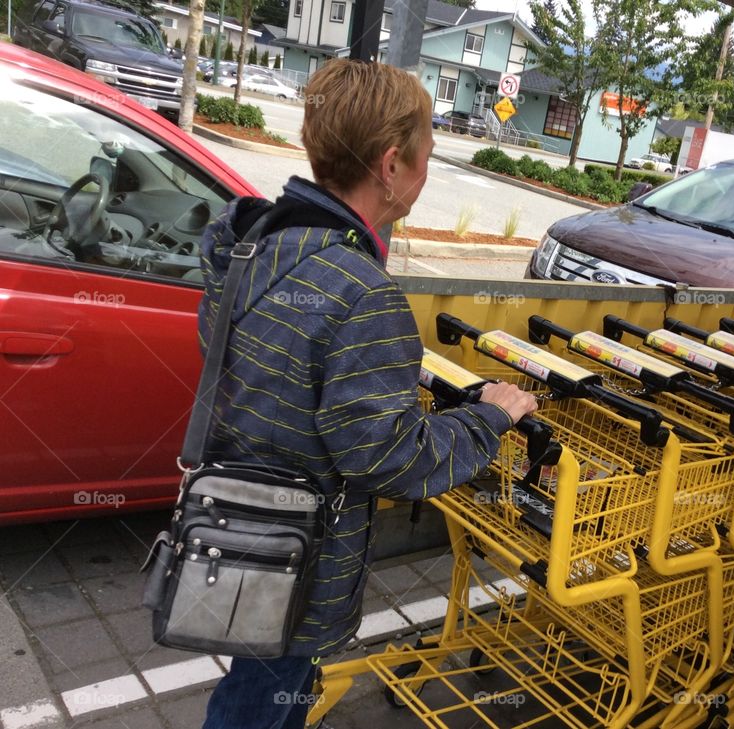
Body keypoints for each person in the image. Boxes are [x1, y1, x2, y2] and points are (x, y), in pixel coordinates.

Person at [197, 59, 538, 729]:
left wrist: (360, 372)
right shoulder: (363, 292)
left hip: (236, 522)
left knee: (253, 690)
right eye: (426, 157)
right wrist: (488, 417)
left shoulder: (251, 243)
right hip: (296, 556)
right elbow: (389, 458)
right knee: (263, 702)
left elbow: (262, 354)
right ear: (390, 166)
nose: (426, 174)